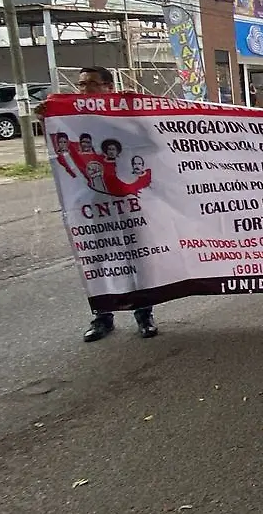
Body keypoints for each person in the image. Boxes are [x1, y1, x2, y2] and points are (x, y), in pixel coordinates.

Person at [36, 66, 159, 342]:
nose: (84, 90)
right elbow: (60, 147)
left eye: (91, 84)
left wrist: (131, 110)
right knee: (98, 260)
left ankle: (144, 314)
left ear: (108, 87)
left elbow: (152, 142)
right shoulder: (71, 118)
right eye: (81, 85)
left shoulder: (124, 115)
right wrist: (46, 116)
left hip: (126, 202)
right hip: (90, 205)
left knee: (134, 259)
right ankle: (103, 316)